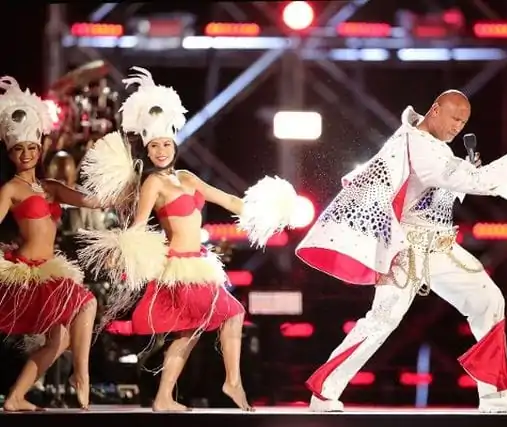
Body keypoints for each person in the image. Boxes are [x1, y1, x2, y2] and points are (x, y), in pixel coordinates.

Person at [296, 90, 507, 413]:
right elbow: (472, 181)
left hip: (439, 246)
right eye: (454, 118)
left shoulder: (432, 145)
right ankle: (323, 392)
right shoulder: (417, 144)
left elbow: (446, 189)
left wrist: (468, 174)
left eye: (463, 122)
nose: (458, 126)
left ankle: (495, 394)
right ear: (435, 109)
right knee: (382, 319)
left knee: (488, 300)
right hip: (407, 249)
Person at [76, 67, 301, 412]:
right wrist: (123, 249)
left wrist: (269, 209)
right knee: (232, 313)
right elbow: (139, 224)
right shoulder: (153, 183)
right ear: (147, 150)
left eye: (166, 144)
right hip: (179, 268)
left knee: (191, 332)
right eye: (154, 146)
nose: (161, 150)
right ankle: (231, 382)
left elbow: (229, 201)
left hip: (199, 263)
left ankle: (164, 397)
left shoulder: (187, 177)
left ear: (174, 144)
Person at [0, 77, 98, 411]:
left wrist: (123, 186)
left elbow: (92, 201)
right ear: (10, 153)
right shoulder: (10, 190)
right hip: (28, 274)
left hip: (49, 270)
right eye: (19, 149)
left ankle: (15, 397)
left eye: (31, 147)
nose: (26, 154)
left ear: (40, 148)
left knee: (61, 339)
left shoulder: (50, 187)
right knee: (87, 303)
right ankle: (81, 375)